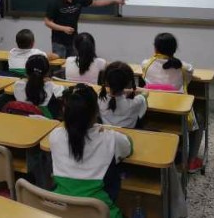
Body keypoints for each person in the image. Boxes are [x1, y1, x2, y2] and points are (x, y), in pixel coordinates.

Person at [49, 84, 132, 217]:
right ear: (96, 112)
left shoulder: (55, 136)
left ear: (65, 112)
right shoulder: (112, 139)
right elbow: (128, 147)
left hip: (61, 210)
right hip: (101, 212)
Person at [141, 32, 203, 172]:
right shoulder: (185, 68)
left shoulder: (146, 65)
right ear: (174, 49)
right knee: (199, 117)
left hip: (152, 114)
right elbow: (188, 80)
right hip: (177, 116)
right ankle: (192, 161)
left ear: (155, 48)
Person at [44, 0, 125, 58]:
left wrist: (115, 1)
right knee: (59, 62)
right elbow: (47, 22)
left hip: (74, 40)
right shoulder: (55, 2)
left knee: (74, 62)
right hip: (59, 42)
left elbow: (96, 2)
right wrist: (63, 28)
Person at [98, 62, 148, 128]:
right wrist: (130, 90)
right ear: (129, 84)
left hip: (106, 132)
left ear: (106, 81)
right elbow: (145, 92)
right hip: (128, 134)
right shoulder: (136, 102)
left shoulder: (99, 99)